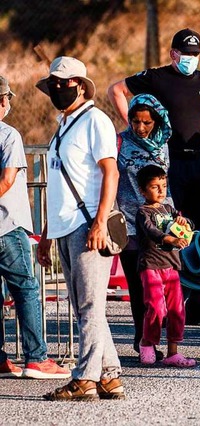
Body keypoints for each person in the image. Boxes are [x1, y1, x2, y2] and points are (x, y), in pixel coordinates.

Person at [107, 28, 200, 327]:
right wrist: (138, 128)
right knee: (166, 224)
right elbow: (116, 90)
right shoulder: (157, 77)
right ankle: (165, 298)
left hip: (198, 159)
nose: (191, 60)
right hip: (169, 161)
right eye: (186, 55)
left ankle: (196, 299)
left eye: (196, 55)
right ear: (174, 54)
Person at [35, 57, 124, 401]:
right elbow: (59, 186)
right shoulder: (62, 126)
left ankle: (85, 377)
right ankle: (110, 375)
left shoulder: (95, 120)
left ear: (80, 86)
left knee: (88, 305)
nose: (57, 89)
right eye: (53, 84)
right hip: (65, 226)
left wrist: (100, 221)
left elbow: (110, 172)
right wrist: (45, 234)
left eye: (64, 83)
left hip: (88, 226)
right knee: (87, 306)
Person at [0, 76, 71, 380]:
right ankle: (36, 357)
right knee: (26, 289)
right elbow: (7, 179)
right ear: (3, 101)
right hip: (6, 224)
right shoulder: (8, 135)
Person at [116, 93, 172, 359]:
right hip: (130, 226)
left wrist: (172, 219)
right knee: (138, 288)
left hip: (159, 225)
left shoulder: (163, 145)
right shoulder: (121, 143)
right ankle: (143, 341)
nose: (140, 128)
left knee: (162, 286)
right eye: (136, 121)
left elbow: (165, 183)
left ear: (156, 121)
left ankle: (155, 335)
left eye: (147, 123)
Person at [135, 165, 196, 368]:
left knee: (177, 308)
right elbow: (151, 231)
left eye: (163, 185)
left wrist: (184, 221)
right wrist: (170, 239)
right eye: (155, 187)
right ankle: (147, 344)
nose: (161, 191)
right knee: (156, 307)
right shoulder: (143, 212)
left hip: (171, 265)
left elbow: (189, 225)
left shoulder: (169, 209)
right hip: (151, 265)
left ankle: (173, 352)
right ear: (143, 191)